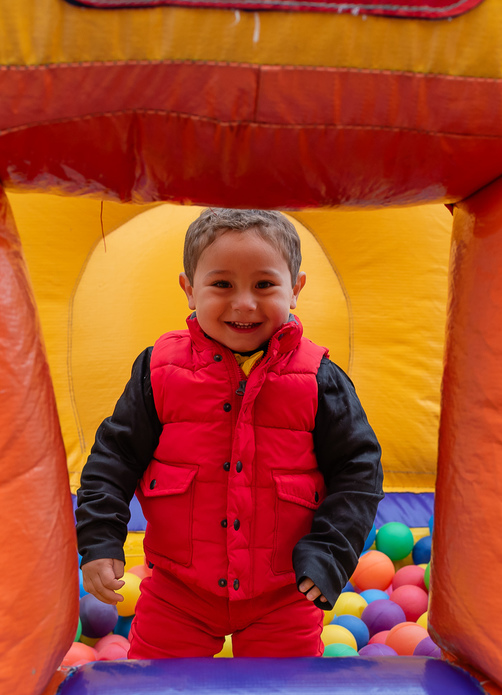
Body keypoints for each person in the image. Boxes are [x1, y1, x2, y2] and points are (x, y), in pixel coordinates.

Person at [75, 208, 383, 657]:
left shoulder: (318, 378)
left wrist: (330, 552)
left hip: (284, 593)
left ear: (295, 289)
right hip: (179, 592)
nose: (244, 303)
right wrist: (100, 540)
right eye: (222, 284)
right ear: (189, 289)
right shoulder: (160, 371)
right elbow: (113, 460)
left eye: (264, 285)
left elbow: (358, 470)